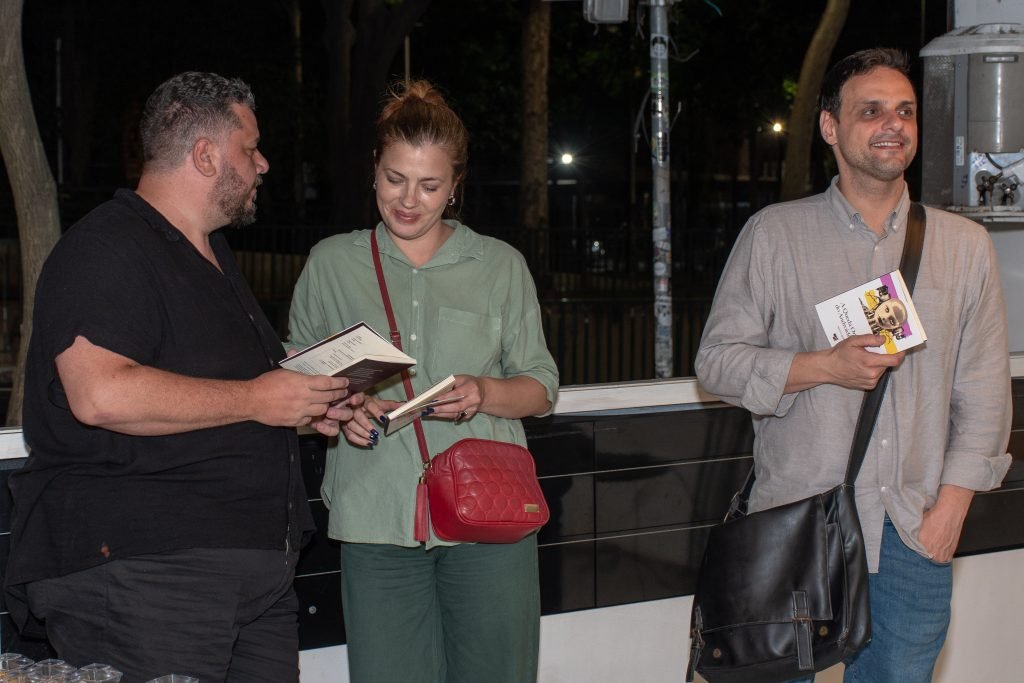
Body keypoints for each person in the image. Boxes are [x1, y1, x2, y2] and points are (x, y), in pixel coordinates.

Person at [5, 71, 355, 682]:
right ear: (205, 154)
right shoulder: (105, 248)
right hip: (148, 574)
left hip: (250, 583)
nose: (264, 164)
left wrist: (304, 403)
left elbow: (235, 401)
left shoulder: (214, 258)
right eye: (251, 147)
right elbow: (100, 393)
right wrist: (255, 398)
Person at [695, 48, 1011, 682]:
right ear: (831, 127)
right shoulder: (774, 234)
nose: (892, 124)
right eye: (871, 111)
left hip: (912, 530)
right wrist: (821, 367)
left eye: (905, 111)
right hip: (795, 520)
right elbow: (717, 365)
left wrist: (950, 513)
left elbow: (982, 393)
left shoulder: (964, 246)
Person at [287, 80, 559, 683]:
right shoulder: (331, 263)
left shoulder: (499, 266)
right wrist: (332, 412)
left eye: (430, 185)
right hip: (374, 515)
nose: (409, 200)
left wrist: (485, 392)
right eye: (394, 179)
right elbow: (295, 381)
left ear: (455, 186)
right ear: (373, 172)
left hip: (489, 517)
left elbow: (541, 385)